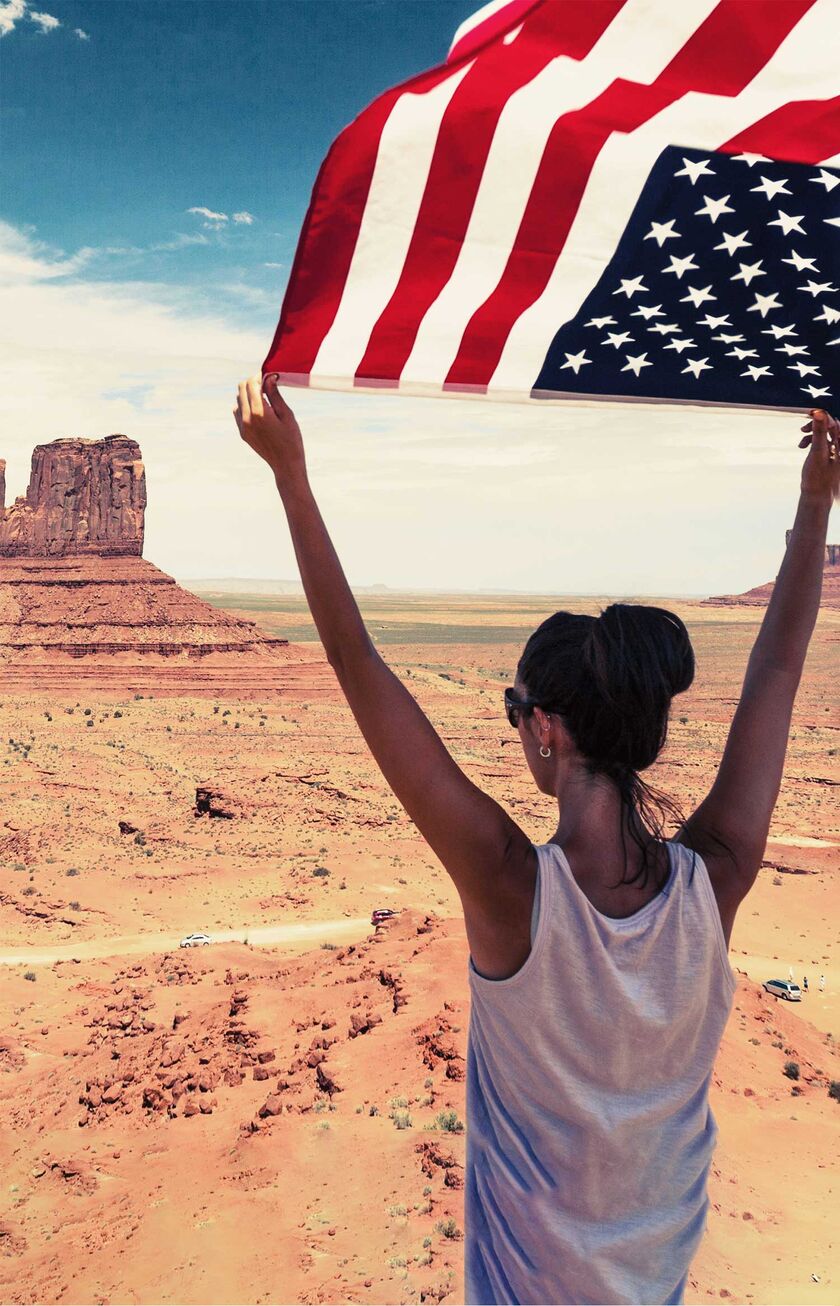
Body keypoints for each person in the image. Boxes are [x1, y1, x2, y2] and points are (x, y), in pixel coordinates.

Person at [233, 378, 838, 1306]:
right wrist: (816, 504)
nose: (515, 727)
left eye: (515, 709)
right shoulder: (713, 883)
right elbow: (782, 665)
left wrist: (292, 479)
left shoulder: (515, 892)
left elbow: (358, 664)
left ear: (546, 728)